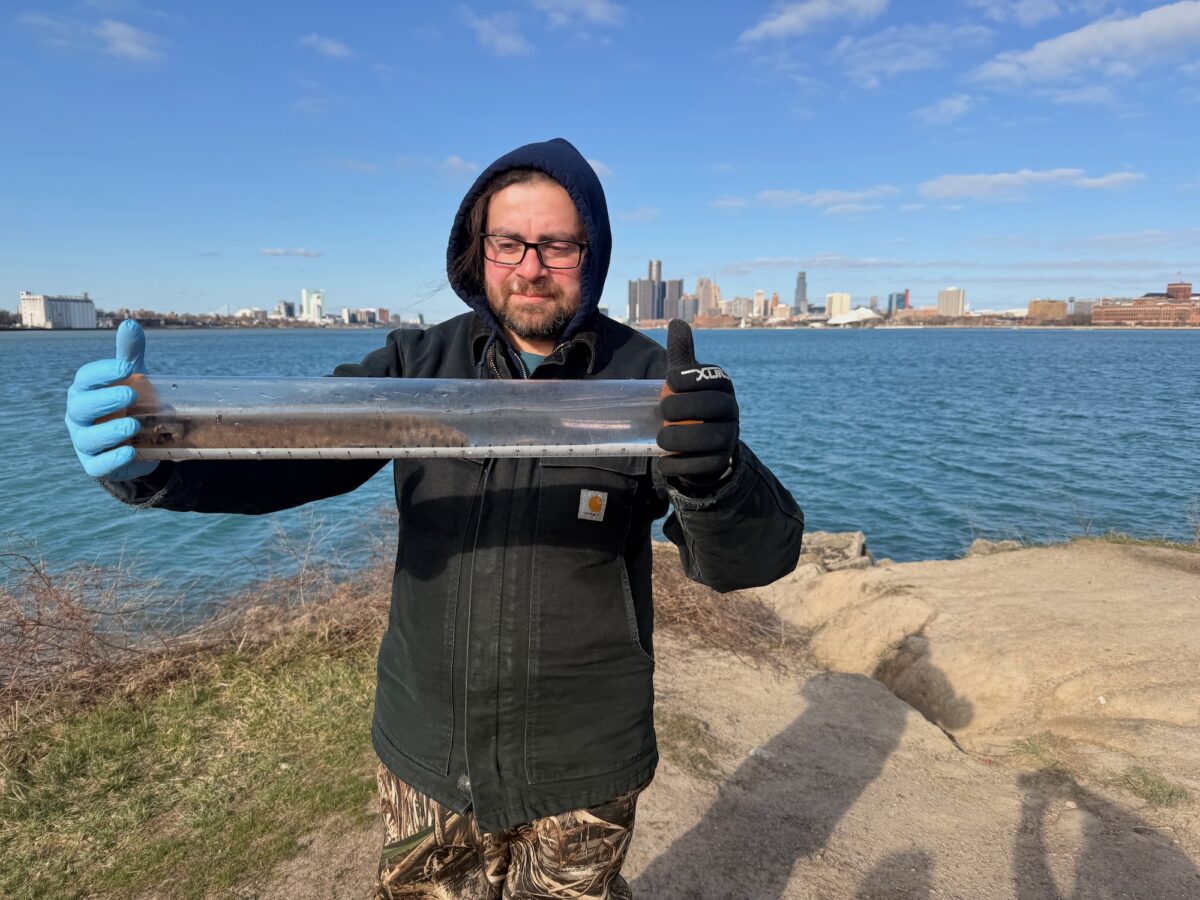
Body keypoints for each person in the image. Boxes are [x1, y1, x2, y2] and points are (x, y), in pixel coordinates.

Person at [65, 137, 804, 899]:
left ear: (593, 251)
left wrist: (717, 474)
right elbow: (294, 447)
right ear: (477, 251)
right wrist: (158, 453)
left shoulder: (649, 385)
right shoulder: (416, 365)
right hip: (425, 746)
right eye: (509, 242)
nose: (529, 265)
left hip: (585, 758)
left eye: (557, 245)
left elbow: (752, 560)